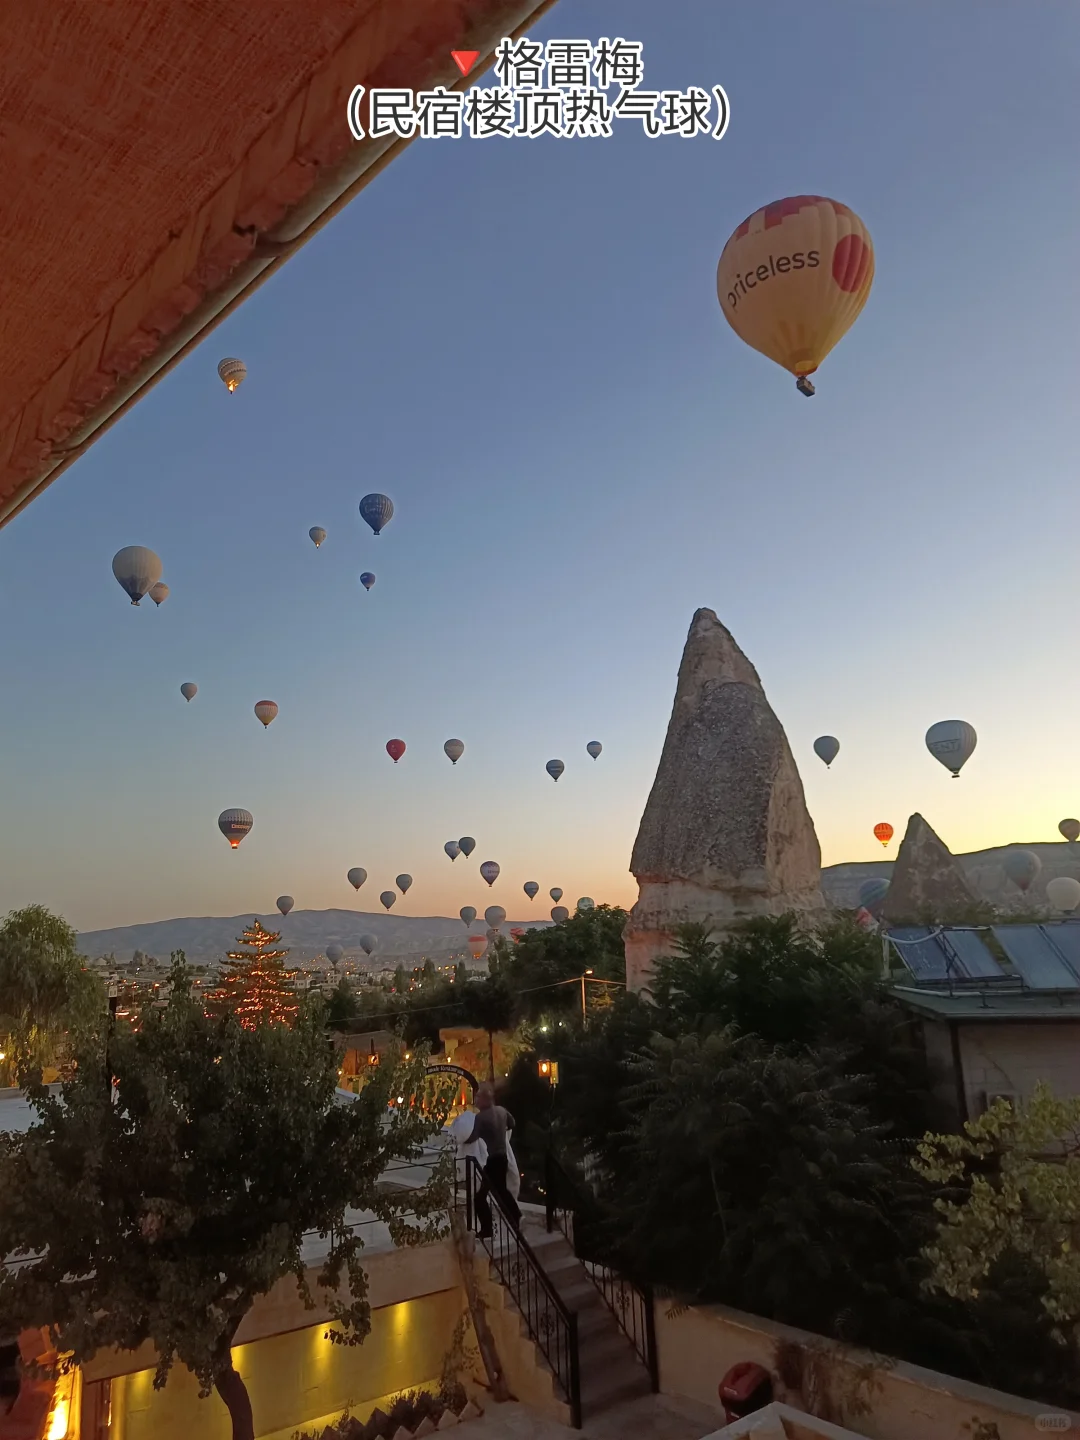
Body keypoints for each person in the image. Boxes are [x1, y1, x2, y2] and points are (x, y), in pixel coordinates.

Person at [465, 1082, 521, 1237]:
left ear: (484, 1099)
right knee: (501, 1190)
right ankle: (515, 1216)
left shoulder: (480, 1117)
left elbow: (473, 1137)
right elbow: (512, 1123)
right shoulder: (502, 1111)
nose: (475, 1100)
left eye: (477, 1097)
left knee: (480, 1197)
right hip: (502, 1158)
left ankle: (488, 1228)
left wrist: (460, 1141)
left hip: (493, 1159)